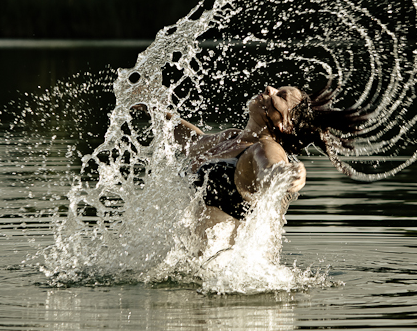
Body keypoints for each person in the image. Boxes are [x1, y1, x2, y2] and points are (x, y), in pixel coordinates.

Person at [132, 82, 366, 246]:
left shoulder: (266, 148)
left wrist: (286, 175)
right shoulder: (229, 138)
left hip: (225, 287)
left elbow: (270, 169)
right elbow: (192, 140)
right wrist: (151, 108)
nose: (268, 89)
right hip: (195, 278)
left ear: (286, 125)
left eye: (281, 96)